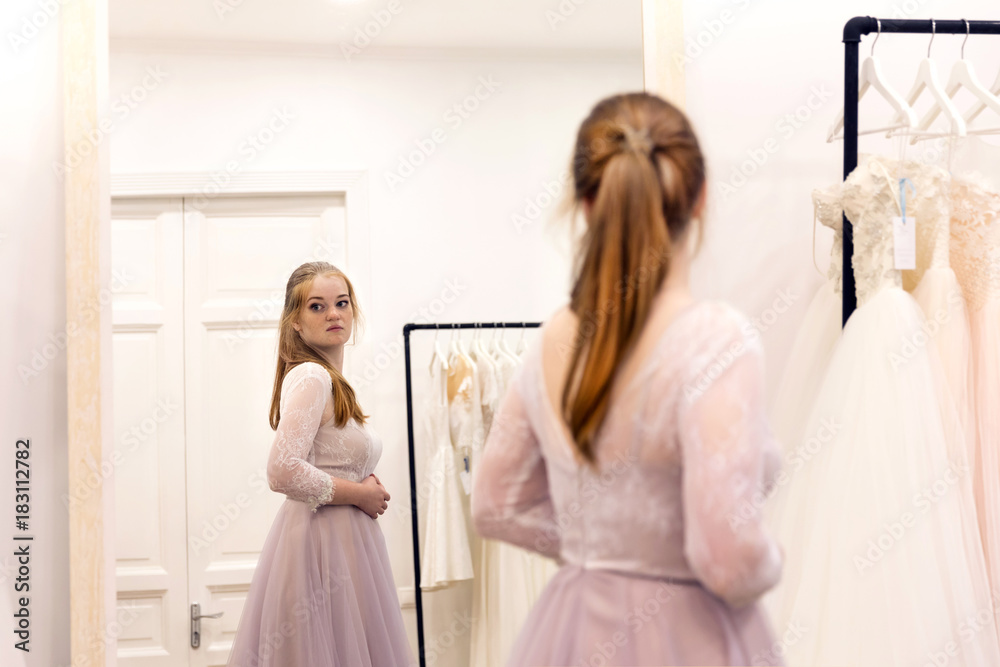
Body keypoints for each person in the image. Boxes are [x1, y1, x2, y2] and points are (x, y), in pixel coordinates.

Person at [471, 92, 785, 666]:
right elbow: (726, 557)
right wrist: (774, 560)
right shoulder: (715, 339)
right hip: (688, 635)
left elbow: (494, 504)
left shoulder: (552, 339)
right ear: (701, 197)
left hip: (573, 627)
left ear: (586, 205)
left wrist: (602, 547)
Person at [226, 261, 415, 667]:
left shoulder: (330, 380)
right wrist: (360, 493)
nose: (333, 314)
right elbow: (282, 470)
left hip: (342, 546)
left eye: (341, 303)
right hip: (322, 547)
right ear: (295, 321)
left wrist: (359, 480)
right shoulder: (313, 376)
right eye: (317, 306)